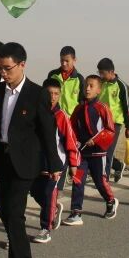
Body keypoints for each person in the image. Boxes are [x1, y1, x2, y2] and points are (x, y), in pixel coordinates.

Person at [0, 42, 62, 258]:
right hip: (2, 159)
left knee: (14, 214)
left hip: (25, 163)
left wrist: (54, 163)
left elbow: (47, 131)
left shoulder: (37, 94)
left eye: (8, 68)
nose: (3, 73)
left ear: (22, 65)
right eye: (0, 68)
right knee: (7, 213)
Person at [30, 78, 80, 243]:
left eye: (56, 94)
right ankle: (53, 208)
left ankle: (45, 228)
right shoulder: (34, 113)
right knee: (35, 191)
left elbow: (70, 141)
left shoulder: (61, 116)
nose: (52, 97)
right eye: (49, 93)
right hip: (36, 162)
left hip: (55, 164)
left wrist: (73, 164)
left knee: (48, 193)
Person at [65, 75, 118, 225]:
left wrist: (96, 140)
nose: (87, 89)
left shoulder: (103, 108)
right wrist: (74, 142)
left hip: (98, 153)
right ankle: (76, 213)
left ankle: (110, 201)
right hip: (82, 154)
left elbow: (110, 130)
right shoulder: (79, 108)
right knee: (77, 180)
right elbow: (72, 128)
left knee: (100, 181)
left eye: (91, 86)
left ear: (98, 90)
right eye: (86, 86)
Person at [96, 57, 129, 182]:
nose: (101, 75)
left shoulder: (122, 86)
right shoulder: (101, 84)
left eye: (103, 73)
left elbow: (127, 107)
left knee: (107, 151)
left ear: (111, 72)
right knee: (99, 150)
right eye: (99, 73)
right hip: (100, 122)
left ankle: (104, 180)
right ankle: (118, 166)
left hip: (114, 123)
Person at [48, 46, 86, 117]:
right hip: (53, 117)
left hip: (72, 119)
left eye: (67, 61)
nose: (64, 63)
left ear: (74, 60)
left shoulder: (80, 79)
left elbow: (82, 102)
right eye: (62, 60)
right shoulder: (52, 75)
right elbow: (45, 96)